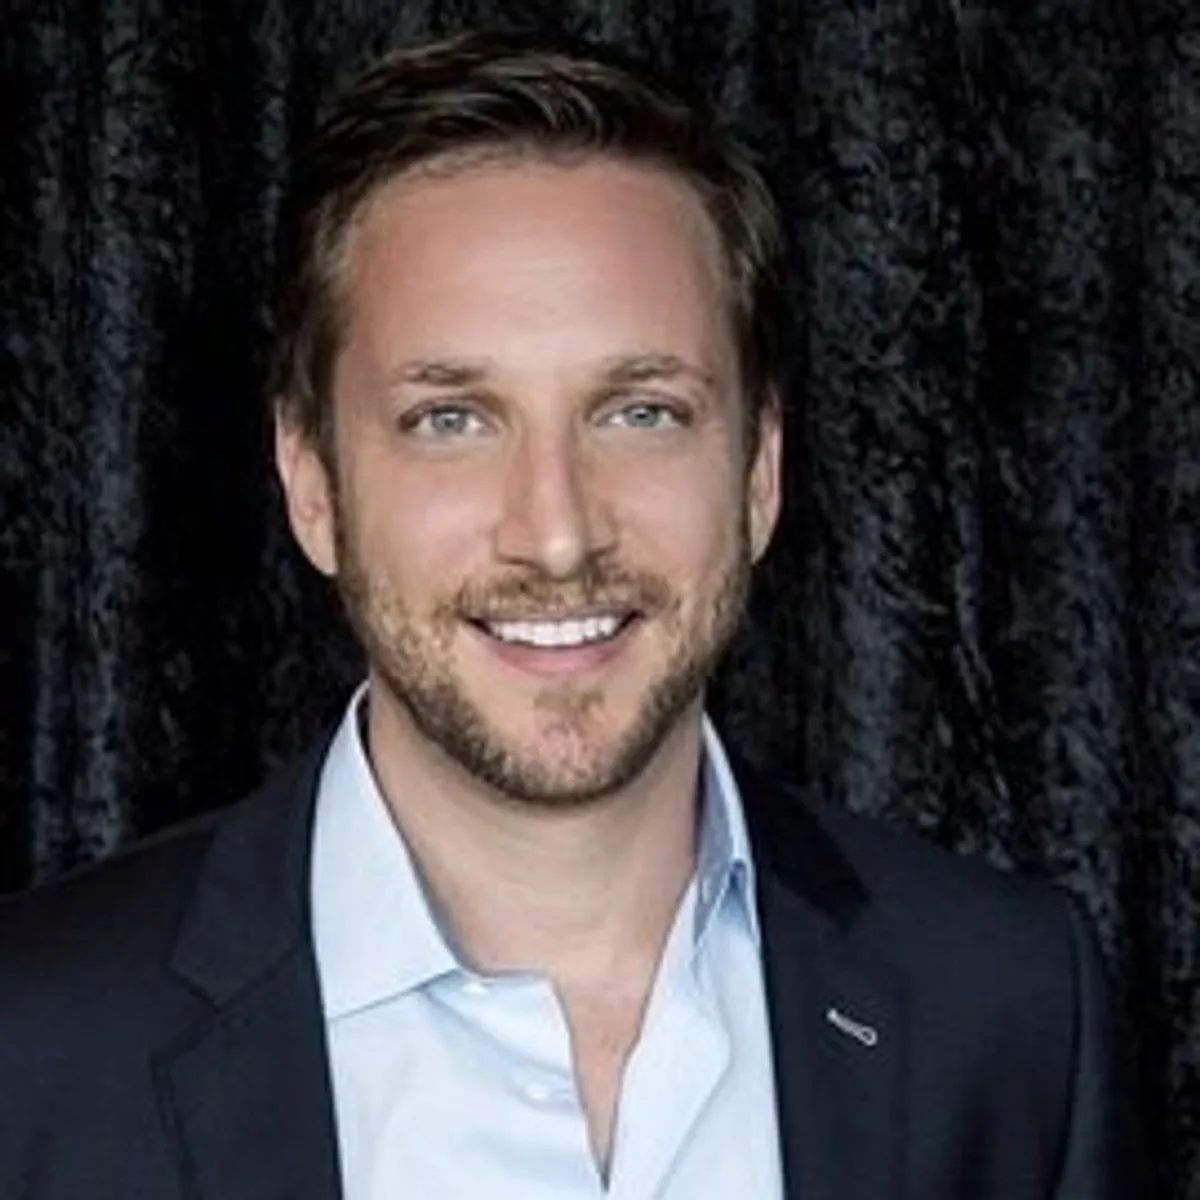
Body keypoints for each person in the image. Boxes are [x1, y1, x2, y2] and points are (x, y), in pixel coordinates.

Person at [0, 29, 1137, 1200]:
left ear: (759, 472)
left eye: (640, 412)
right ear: (311, 483)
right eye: (451, 419)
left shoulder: (1012, 1016)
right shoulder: (29, 1047)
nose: (557, 533)